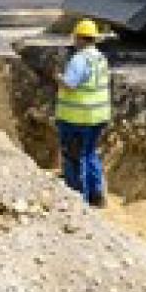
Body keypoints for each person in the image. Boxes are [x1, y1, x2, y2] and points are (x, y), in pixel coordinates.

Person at [55, 18, 111, 208]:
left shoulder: (79, 59)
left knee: (74, 157)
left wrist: (58, 78)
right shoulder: (100, 58)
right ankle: (97, 195)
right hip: (98, 117)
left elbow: (70, 84)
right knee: (89, 154)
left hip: (77, 119)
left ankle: (79, 201)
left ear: (79, 37)